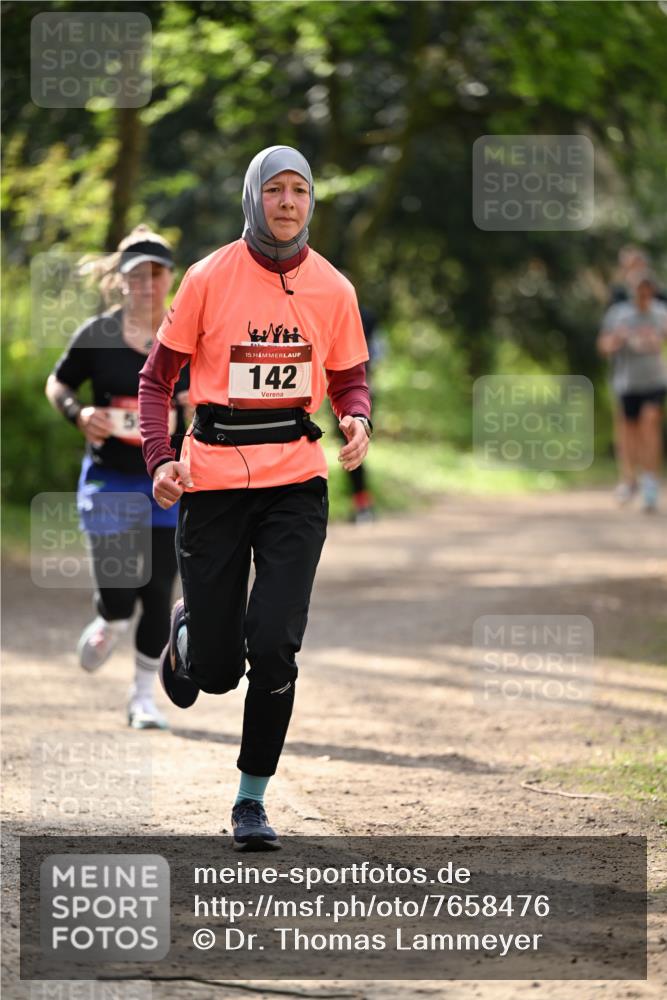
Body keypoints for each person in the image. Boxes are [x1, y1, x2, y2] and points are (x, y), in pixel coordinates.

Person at [138, 146, 372, 850]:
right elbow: (157, 382)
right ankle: (190, 641)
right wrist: (158, 459)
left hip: (295, 482)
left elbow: (349, 378)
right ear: (253, 197)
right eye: (276, 189)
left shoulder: (334, 288)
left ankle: (250, 801)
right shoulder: (209, 277)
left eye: (301, 190)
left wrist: (356, 417)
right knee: (214, 674)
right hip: (211, 481)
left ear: (311, 202)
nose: (289, 202)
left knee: (274, 644)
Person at [46, 225, 190, 728]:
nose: (147, 285)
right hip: (110, 480)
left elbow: (207, 401)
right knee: (120, 594)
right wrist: (79, 414)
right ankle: (108, 618)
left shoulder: (186, 337)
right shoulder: (97, 335)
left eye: (157, 274)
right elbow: (58, 383)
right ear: (121, 281)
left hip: (164, 484)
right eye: (137, 276)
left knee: (156, 592)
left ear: (169, 278)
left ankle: (142, 699)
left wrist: (190, 418)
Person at [598, 273, 667, 512]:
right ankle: (630, 479)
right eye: (640, 292)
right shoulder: (619, 314)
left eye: (648, 292)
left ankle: (650, 481)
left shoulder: (660, 313)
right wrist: (619, 338)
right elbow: (603, 346)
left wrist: (657, 338)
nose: (644, 297)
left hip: (655, 381)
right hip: (627, 383)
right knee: (630, 434)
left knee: (650, 425)